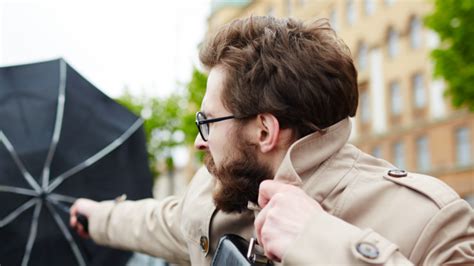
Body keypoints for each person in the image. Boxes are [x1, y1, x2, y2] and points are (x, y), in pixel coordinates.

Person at [70, 16, 474, 265]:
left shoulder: (430, 220)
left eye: (206, 121)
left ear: (264, 130)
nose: (199, 142)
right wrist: (94, 216)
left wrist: (319, 241)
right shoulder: (215, 190)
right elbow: (160, 222)